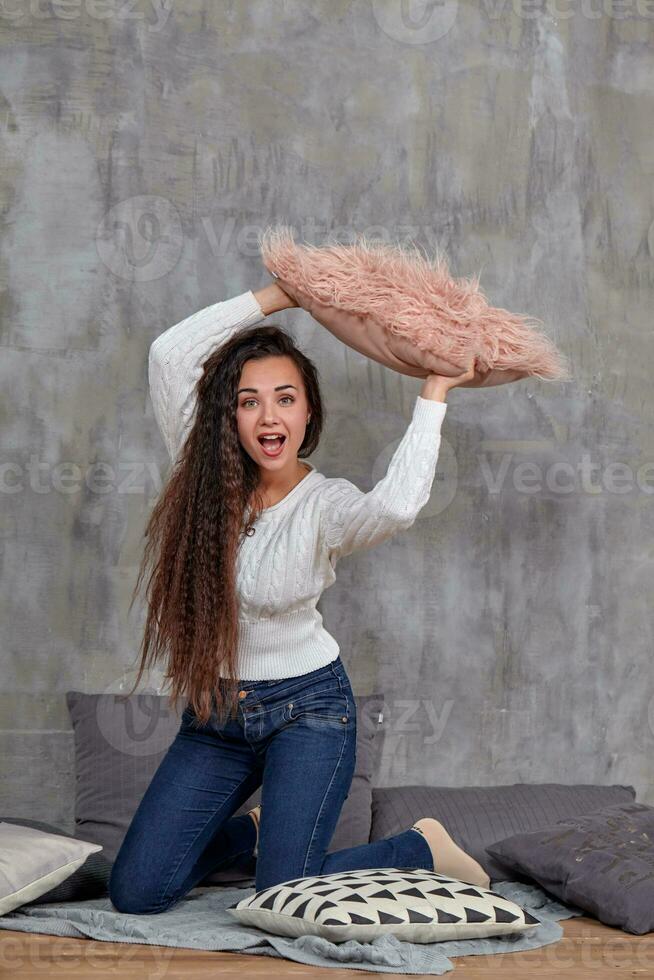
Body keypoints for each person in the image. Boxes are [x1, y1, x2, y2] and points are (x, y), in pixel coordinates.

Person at [108, 277, 490, 915]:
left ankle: (417, 849)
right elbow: (168, 356)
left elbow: (394, 505)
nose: (268, 416)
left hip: (309, 712)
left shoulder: (327, 506)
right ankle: (255, 835)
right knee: (136, 892)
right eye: (248, 401)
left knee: (281, 900)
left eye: (284, 399)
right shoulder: (197, 467)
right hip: (217, 715)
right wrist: (283, 294)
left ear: (308, 411)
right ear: (229, 415)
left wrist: (435, 392)